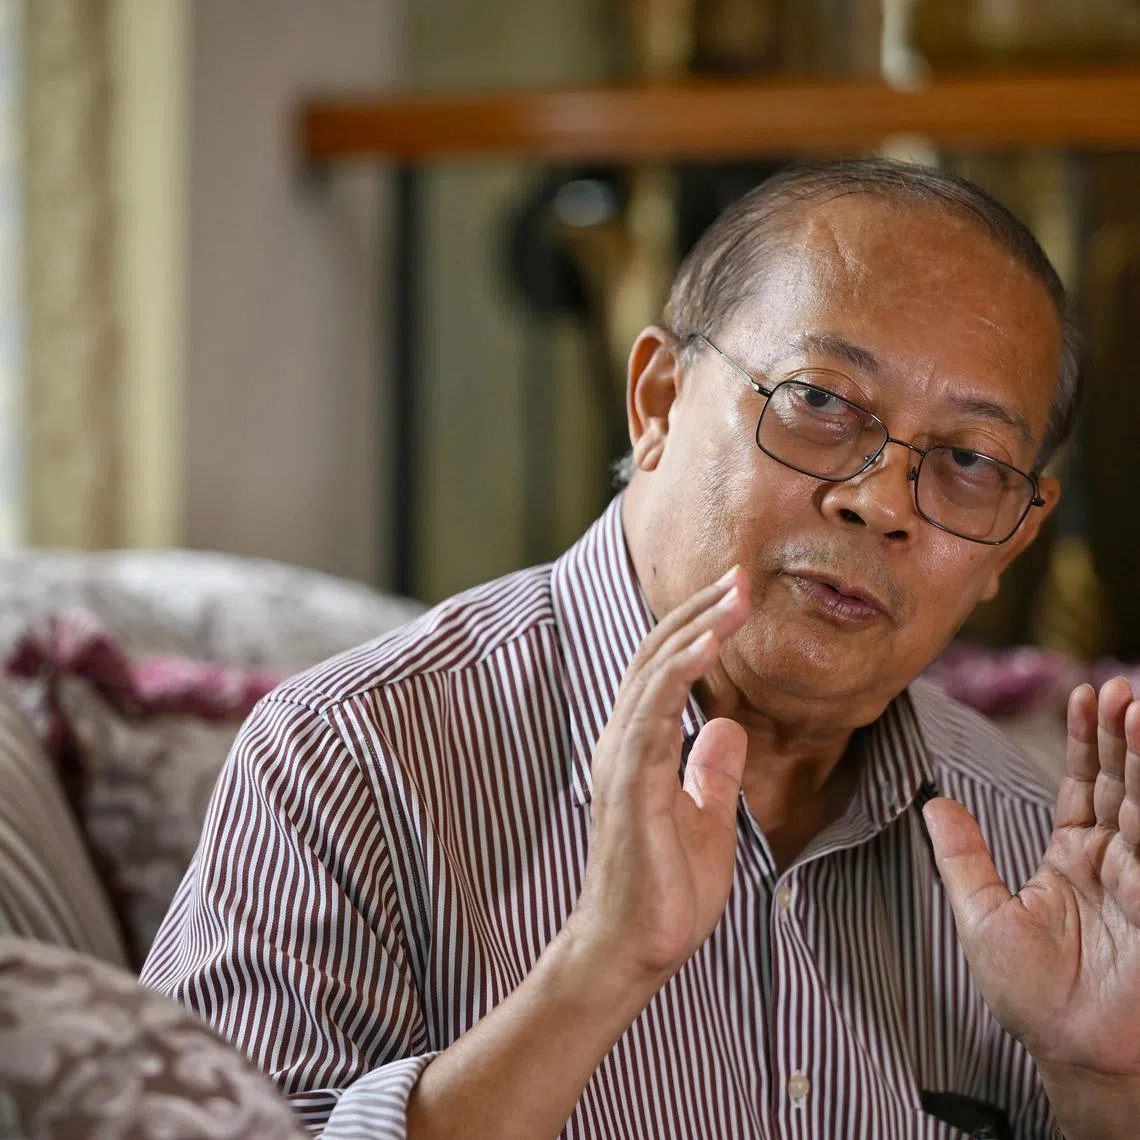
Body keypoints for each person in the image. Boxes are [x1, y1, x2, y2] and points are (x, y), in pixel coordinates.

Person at [142, 159, 1140, 1140]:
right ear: (659, 399)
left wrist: (1102, 1093)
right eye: (822, 403)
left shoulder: (1031, 849)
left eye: (968, 461)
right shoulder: (350, 761)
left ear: (1013, 540)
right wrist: (595, 972)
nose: (878, 502)